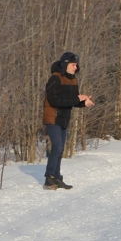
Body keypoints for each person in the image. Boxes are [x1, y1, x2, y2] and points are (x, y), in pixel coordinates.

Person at [42, 52, 95, 190]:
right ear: (65, 64)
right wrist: (78, 99)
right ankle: (49, 178)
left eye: (76, 65)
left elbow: (72, 101)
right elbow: (55, 100)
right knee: (57, 147)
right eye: (73, 65)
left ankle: (57, 177)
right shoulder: (55, 79)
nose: (75, 67)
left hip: (64, 118)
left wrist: (84, 102)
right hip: (52, 116)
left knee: (60, 150)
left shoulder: (73, 80)